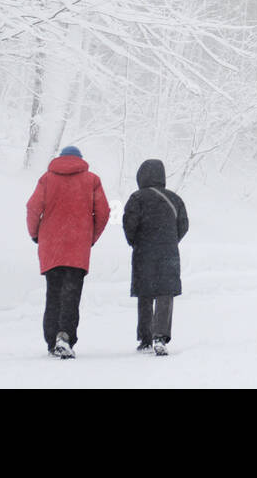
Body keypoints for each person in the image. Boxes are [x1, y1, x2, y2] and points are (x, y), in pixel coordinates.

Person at [26, 145, 110, 359]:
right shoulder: (92, 180)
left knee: (53, 294)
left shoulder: (47, 179)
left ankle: (51, 340)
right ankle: (65, 336)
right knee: (71, 295)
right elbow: (103, 212)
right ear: (80, 159)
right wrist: (90, 237)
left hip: (51, 246)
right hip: (77, 247)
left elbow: (33, 208)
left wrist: (35, 234)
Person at [123, 159, 189, 356]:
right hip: (168, 252)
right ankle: (160, 336)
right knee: (164, 293)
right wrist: (171, 240)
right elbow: (184, 225)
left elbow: (129, 224)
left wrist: (135, 241)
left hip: (144, 252)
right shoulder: (175, 199)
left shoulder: (136, 198)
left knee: (145, 293)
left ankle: (145, 338)